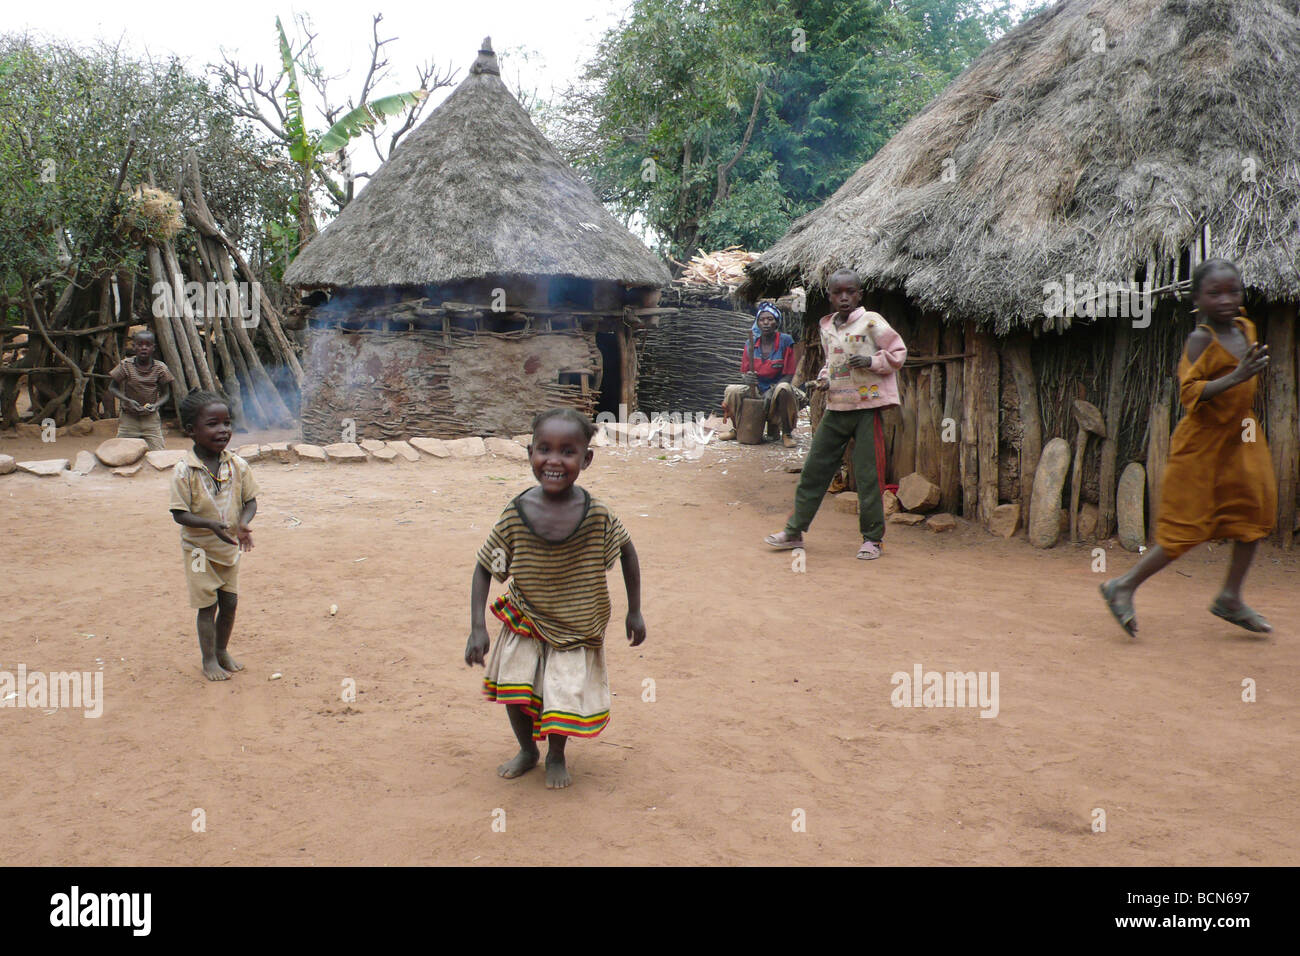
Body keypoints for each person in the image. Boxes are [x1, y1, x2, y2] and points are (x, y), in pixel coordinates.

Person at [465, 408, 646, 789]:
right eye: (544, 449)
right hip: (526, 616)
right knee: (515, 689)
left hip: (577, 624)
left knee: (561, 696)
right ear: (530, 451)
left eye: (568, 452)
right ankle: (528, 749)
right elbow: (485, 566)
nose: (554, 460)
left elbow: (628, 552)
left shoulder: (597, 516)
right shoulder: (516, 515)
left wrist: (636, 611)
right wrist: (477, 627)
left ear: (586, 459)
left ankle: (557, 754)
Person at [1101, 259, 1275, 635]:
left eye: (1234, 291)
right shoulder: (1201, 340)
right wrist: (1237, 376)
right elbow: (1190, 392)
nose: (1227, 300)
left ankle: (1230, 597)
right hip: (1202, 444)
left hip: (1243, 439)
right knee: (1186, 528)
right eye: (1215, 293)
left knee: (1253, 515)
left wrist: (1244, 373)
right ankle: (1122, 585)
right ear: (1197, 298)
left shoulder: (1246, 326)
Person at [763, 269, 907, 560]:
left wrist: (871, 360)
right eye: (838, 293)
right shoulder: (827, 326)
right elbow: (832, 363)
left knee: (868, 476)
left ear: (859, 294)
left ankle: (872, 539)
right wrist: (824, 379)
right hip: (836, 407)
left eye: (850, 292)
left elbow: (898, 352)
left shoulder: (871, 321)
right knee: (814, 470)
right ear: (829, 296)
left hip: (867, 408)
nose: (844, 297)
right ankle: (794, 531)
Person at [168, 389, 259, 681]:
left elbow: (250, 501)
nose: (223, 430)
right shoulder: (184, 471)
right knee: (207, 606)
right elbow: (178, 513)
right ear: (191, 430)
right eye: (213, 424)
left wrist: (243, 523)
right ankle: (208, 660)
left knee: (229, 603)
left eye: (227, 423)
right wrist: (210, 525)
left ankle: (222, 651)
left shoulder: (238, 465)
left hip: (228, 549)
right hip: (198, 550)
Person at [717, 302, 801, 447]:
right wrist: (747, 377)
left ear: (777, 322)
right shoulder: (751, 343)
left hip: (777, 388)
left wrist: (772, 389)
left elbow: (789, 374)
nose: (766, 323)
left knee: (784, 388)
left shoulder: (785, 341)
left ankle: (786, 433)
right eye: (762, 320)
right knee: (732, 391)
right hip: (756, 388)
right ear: (758, 323)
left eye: (770, 319)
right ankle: (736, 429)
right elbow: (745, 372)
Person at [108, 329, 175, 451]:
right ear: (133, 347)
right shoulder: (126, 365)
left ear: (153, 348)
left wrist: (156, 405)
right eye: (140, 345)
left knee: (158, 453)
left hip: (151, 419)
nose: (144, 348)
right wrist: (127, 400)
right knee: (120, 453)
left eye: (148, 345)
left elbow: (166, 394)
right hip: (129, 418)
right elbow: (112, 388)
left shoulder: (160, 368)